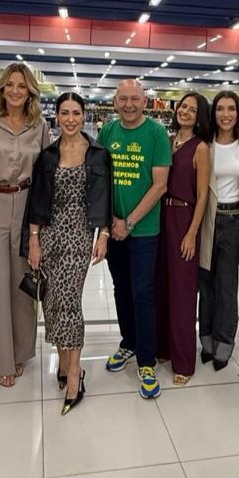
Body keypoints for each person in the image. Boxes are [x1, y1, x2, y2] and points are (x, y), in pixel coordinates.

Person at [24, 92, 111, 414]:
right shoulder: (48, 155)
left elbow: (105, 195)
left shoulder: (98, 154)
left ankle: (75, 374)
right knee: (51, 301)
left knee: (69, 301)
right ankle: (63, 362)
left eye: (76, 113)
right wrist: (34, 240)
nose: (71, 119)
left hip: (79, 234)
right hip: (49, 233)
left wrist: (103, 235)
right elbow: (37, 199)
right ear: (57, 117)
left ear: (83, 115)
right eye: (65, 113)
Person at [0, 63, 50, 387]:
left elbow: (46, 174)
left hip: (27, 204)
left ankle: (20, 352)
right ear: (2, 88)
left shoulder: (39, 126)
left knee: (22, 282)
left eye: (22, 86)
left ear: (30, 91)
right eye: (10, 85)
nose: (16, 91)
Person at [99, 79, 171, 399]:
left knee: (143, 293)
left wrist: (128, 223)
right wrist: (110, 224)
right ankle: (128, 342)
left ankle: (146, 360)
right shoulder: (108, 132)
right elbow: (101, 179)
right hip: (114, 228)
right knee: (121, 289)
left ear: (145, 102)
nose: (129, 104)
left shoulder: (156, 133)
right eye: (123, 99)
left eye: (135, 99)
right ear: (115, 102)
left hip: (143, 230)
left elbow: (160, 185)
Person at [155, 92, 211, 385]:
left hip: (183, 218)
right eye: (183, 106)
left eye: (192, 109)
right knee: (162, 286)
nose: (185, 112)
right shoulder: (167, 141)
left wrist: (191, 233)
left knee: (182, 292)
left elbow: (202, 196)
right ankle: (163, 348)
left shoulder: (200, 148)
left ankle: (184, 361)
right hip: (160, 217)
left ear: (200, 116)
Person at [199, 91, 239, 371]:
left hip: (233, 221)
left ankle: (224, 342)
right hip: (207, 219)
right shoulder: (204, 145)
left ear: (238, 113)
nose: (225, 114)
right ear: (213, 112)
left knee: (227, 286)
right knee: (206, 285)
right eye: (220, 109)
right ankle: (206, 340)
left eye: (231, 108)